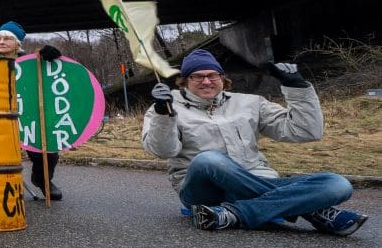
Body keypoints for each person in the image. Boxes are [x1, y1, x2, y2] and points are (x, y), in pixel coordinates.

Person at [141, 49, 367, 235]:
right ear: (184, 81)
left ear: (222, 78)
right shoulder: (168, 105)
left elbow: (305, 131)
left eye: (213, 75)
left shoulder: (251, 103)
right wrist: (164, 114)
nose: (206, 81)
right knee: (209, 160)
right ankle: (310, 209)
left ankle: (233, 214)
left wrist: (298, 88)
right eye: (197, 76)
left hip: (255, 178)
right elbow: (163, 151)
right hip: (201, 191)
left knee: (338, 184)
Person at [0, 21, 64, 200]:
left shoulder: (32, 62)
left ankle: (42, 179)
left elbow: (51, 77)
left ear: (17, 44)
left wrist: (51, 56)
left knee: (47, 151)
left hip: (27, 115)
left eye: (7, 38)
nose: (1, 42)